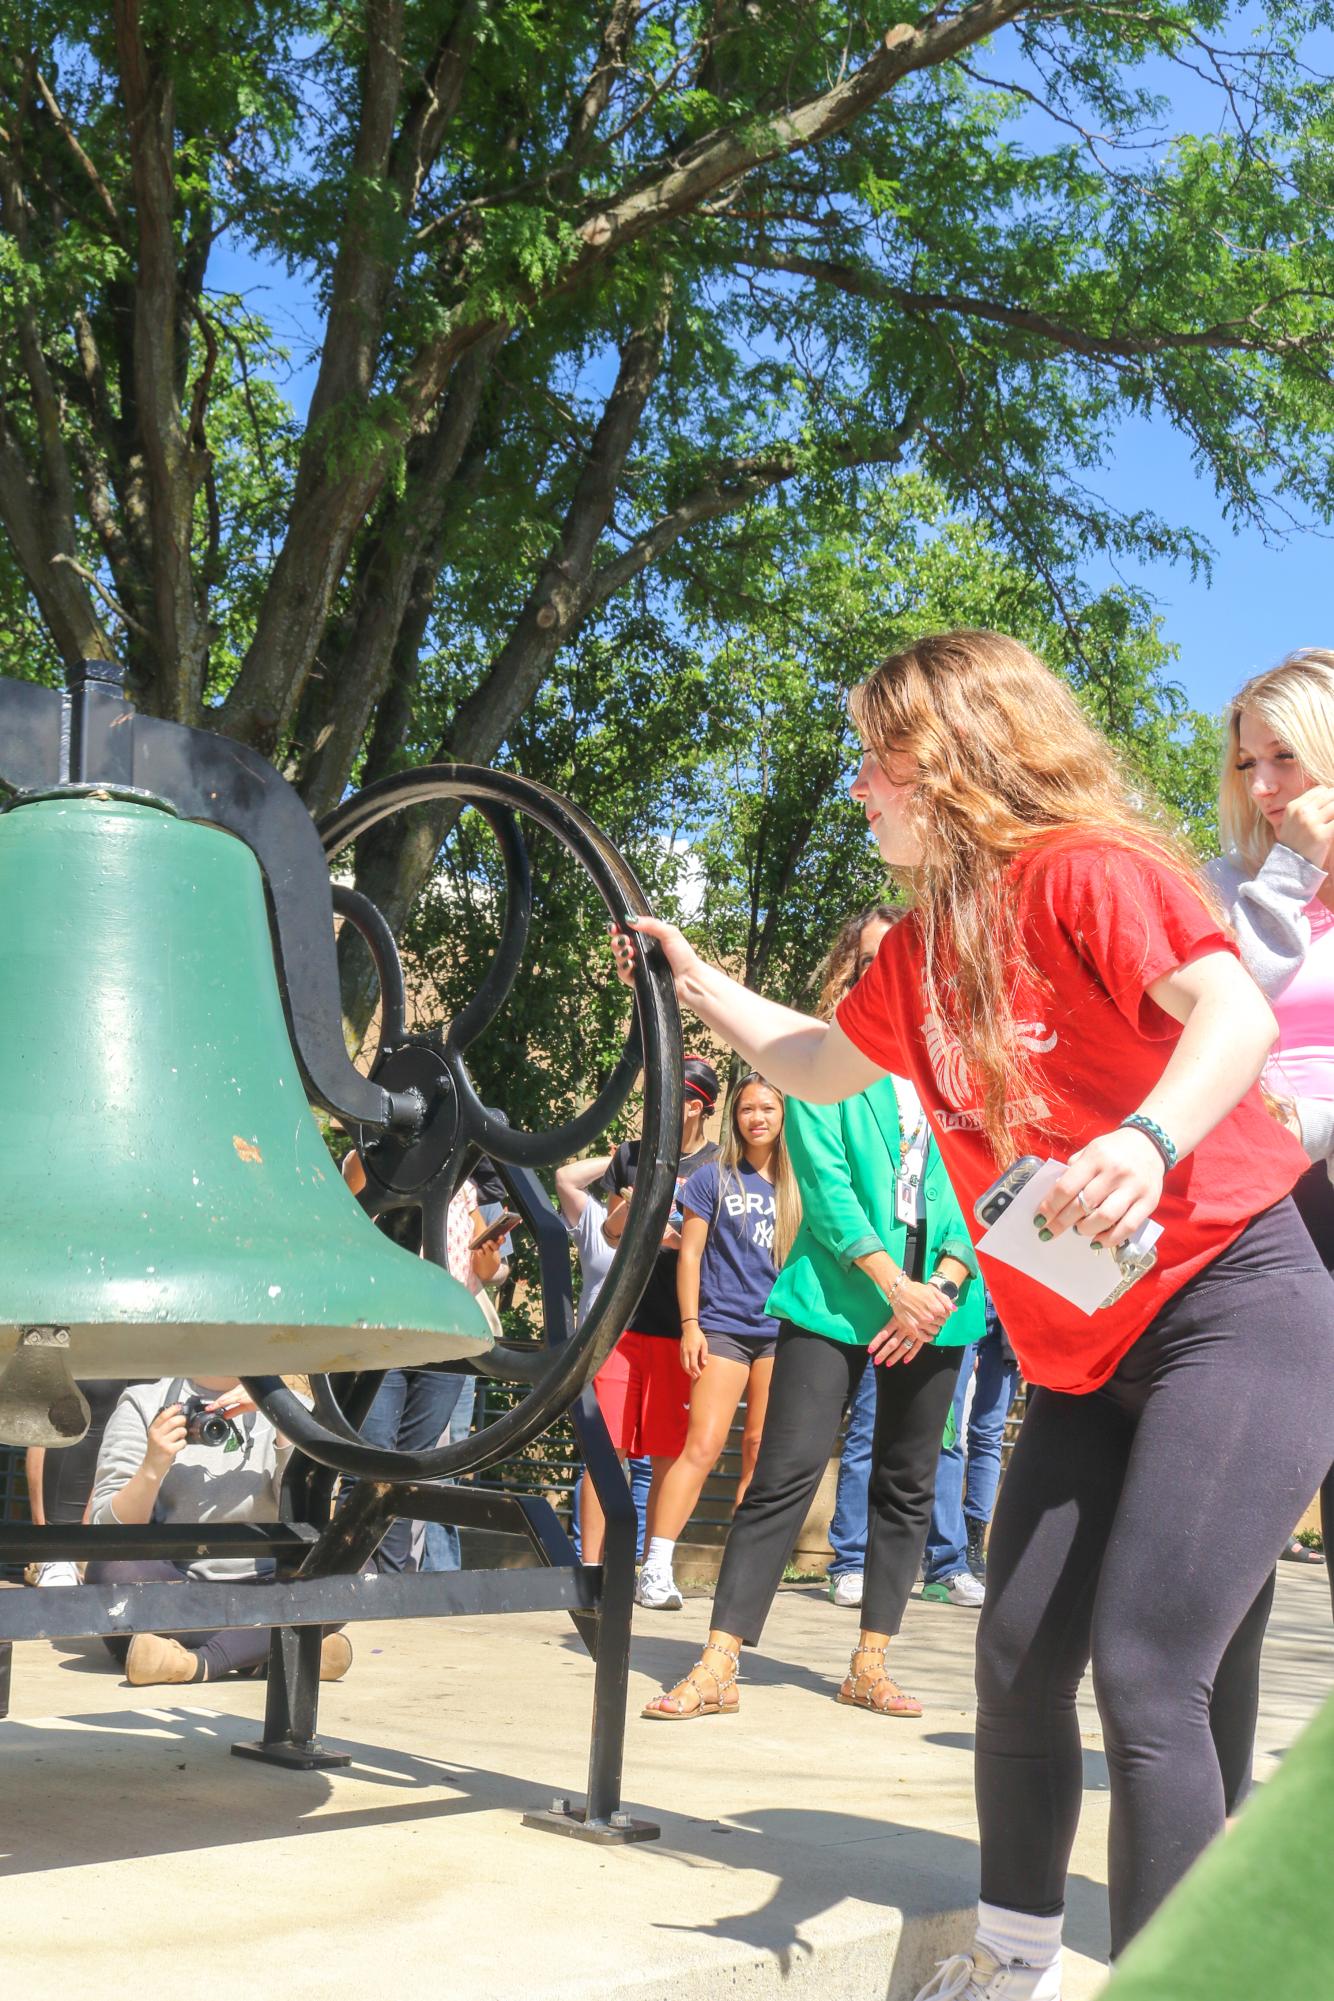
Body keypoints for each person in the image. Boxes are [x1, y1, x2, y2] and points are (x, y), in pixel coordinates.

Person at [613, 628, 1334, 1997]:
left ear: (952, 757)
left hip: (1232, 1310)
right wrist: (699, 983)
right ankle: (1013, 1964)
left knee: (1143, 1670)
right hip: (1083, 1355)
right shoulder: (926, 944)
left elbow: (1230, 1014)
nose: (857, 790)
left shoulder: (1085, 872)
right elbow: (822, 1062)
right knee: (1011, 1658)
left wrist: (1149, 1139)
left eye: (876, 761)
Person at [640, 905, 983, 1721]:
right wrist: (888, 1282)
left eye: (905, 958)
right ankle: (719, 1662)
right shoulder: (827, 1062)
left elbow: (984, 1178)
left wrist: (940, 1281)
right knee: (784, 1471)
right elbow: (824, 1187)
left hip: (939, 1304)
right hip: (836, 1297)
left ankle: (870, 1663)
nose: (886, 974)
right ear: (852, 973)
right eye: (870, 961)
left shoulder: (968, 1067)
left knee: (906, 1482)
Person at [1209, 647, 1334, 1588]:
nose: (1262, 786)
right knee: (1237, 1493)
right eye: (1247, 764)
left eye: (1283, 759)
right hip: (1253, 1200)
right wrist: (1290, 873)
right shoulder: (1232, 887)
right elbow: (1213, 1010)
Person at [634, 1074, 801, 1609]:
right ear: (734, 1116)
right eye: (747, 1108)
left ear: (783, 1115)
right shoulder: (711, 1178)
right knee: (701, 1446)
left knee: (759, 1451)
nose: (757, 1118)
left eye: (768, 1108)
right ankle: (656, 1566)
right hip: (723, 1328)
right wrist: (690, 1325)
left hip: (782, 1333)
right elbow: (688, 1255)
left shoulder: (804, 1183)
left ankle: (742, 1577)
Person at [86, 1375, 350, 1687]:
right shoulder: (143, 1402)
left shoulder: (299, 1410)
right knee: (111, 1572)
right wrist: (152, 1466)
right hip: (181, 1586)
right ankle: (277, 1649)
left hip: (272, 1583)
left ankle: (199, 1662)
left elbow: (312, 1521)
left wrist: (283, 1422)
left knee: (353, 1563)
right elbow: (107, 1533)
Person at [580, 1054, 721, 1599]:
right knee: (607, 1448)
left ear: (695, 1105)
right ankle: (591, 1572)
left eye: (669, 1095)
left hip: (683, 1328)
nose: (654, 1106)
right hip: (622, 1324)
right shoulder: (630, 1155)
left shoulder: (718, 1164)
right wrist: (630, 1212)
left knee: (668, 1452)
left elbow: (714, 1248)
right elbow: (613, 1231)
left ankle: (650, 1573)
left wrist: (680, 1239)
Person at [341, 1151, 501, 1574]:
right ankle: (357, 1573)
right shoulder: (376, 1163)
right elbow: (355, 1184)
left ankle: (389, 1575)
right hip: (383, 1331)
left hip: (443, 1340)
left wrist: (488, 1252)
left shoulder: (464, 1188)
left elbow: (485, 1268)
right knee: (374, 1459)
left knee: (413, 1465)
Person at [557, 1153, 652, 1561]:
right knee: (604, 1454)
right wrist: (624, 1155)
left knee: (647, 1463)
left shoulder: (668, 1224)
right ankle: (591, 1560)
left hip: (652, 1341)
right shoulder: (597, 1222)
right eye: (622, 1186)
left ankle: (635, 1563)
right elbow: (565, 1178)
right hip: (605, 1346)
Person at [920, 1302, 1019, 1602]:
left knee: (990, 1432)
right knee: (948, 1433)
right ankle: (945, 1552)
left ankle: (973, 1542)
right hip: (965, 1298)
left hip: (1009, 1308)